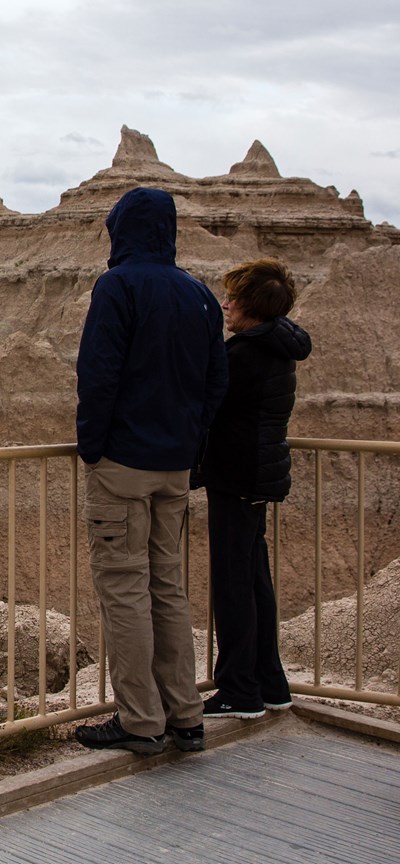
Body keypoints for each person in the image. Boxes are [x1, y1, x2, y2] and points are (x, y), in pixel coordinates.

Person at [74, 186, 228, 755]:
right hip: (175, 467)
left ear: (123, 229)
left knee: (124, 590)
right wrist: (190, 440)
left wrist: (93, 447)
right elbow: (217, 382)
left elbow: (99, 374)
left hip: (123, 465)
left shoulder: (118, 286)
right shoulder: (200, 295)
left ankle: (140, 721)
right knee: (168, 587)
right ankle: (185, 715)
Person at [196, 259, 311, 719]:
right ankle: (271, 683)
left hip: (238, 477)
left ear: (253, 307)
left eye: (234, 299)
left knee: (233, 586)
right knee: (254, 579)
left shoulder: (244, 354)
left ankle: (238, 691)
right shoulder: (280, 346)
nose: (226, 304)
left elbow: (209, 404)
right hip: (259, 477)